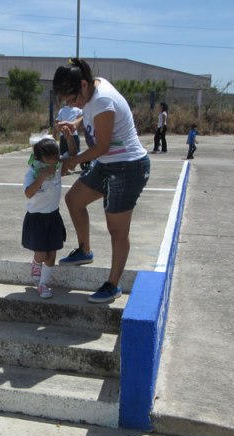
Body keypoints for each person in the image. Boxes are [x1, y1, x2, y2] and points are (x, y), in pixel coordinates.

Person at [53, 57, 150, 304]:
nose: (73, 104)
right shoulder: (92, 91)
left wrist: (72, 161)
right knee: (74, 200)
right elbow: (89, 116)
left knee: (117, 229)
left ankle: (113, 285)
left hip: (127, 166)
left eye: (73, 99)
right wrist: (74, 125)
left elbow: (102, 147)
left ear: (83, 85)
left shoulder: (103, 99)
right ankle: (85, 251)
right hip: (107, 164)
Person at [23, 132, 77, 299]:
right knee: (42, 255)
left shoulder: (58, 166)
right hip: (36, 218)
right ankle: (36, 263)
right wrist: (41, 177)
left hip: (53, 216)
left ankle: (43, 284)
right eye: (50, 158)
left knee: (52, 254)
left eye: (56, 157)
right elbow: (28, 193)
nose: (54, 161)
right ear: (39, 158)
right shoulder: (32, 172)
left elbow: (73, 154)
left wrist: (69, 137)